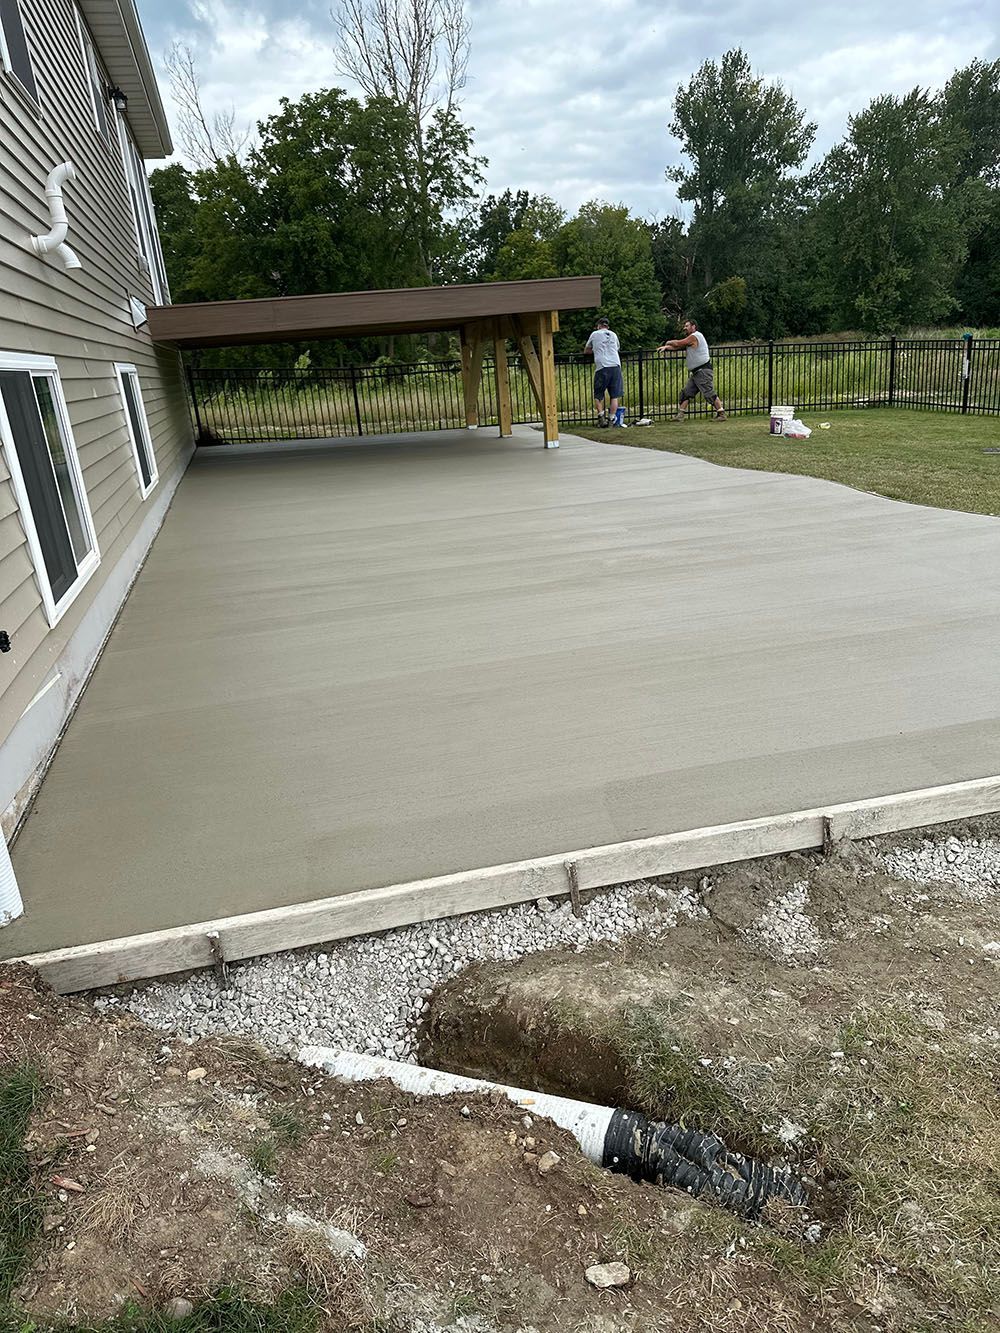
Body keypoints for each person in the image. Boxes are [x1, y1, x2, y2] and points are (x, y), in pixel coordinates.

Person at [658, 319, 726, 421]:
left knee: (709, 393)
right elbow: (678, 347)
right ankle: (680, 416)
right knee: (686, 393)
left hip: (703, 371)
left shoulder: (695, 336)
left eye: (687, 326)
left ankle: (721, 414)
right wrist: (666, 347)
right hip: (696, 373)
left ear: (693, 326)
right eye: (685, 326)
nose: (685, 328)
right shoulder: (691, 340)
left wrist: (669, 342)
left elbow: (678, 343)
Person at [584, 316, 625, 427]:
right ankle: (612, 420)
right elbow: (616, 348)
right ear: (607, 326)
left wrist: (595, 350)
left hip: (602, 366)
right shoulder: (614, 334)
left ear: (598, 325)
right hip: (615, 365)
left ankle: (601, 418)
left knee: (598, 394)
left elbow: (587, 350)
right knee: (614, 395)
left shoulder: (594, 334)